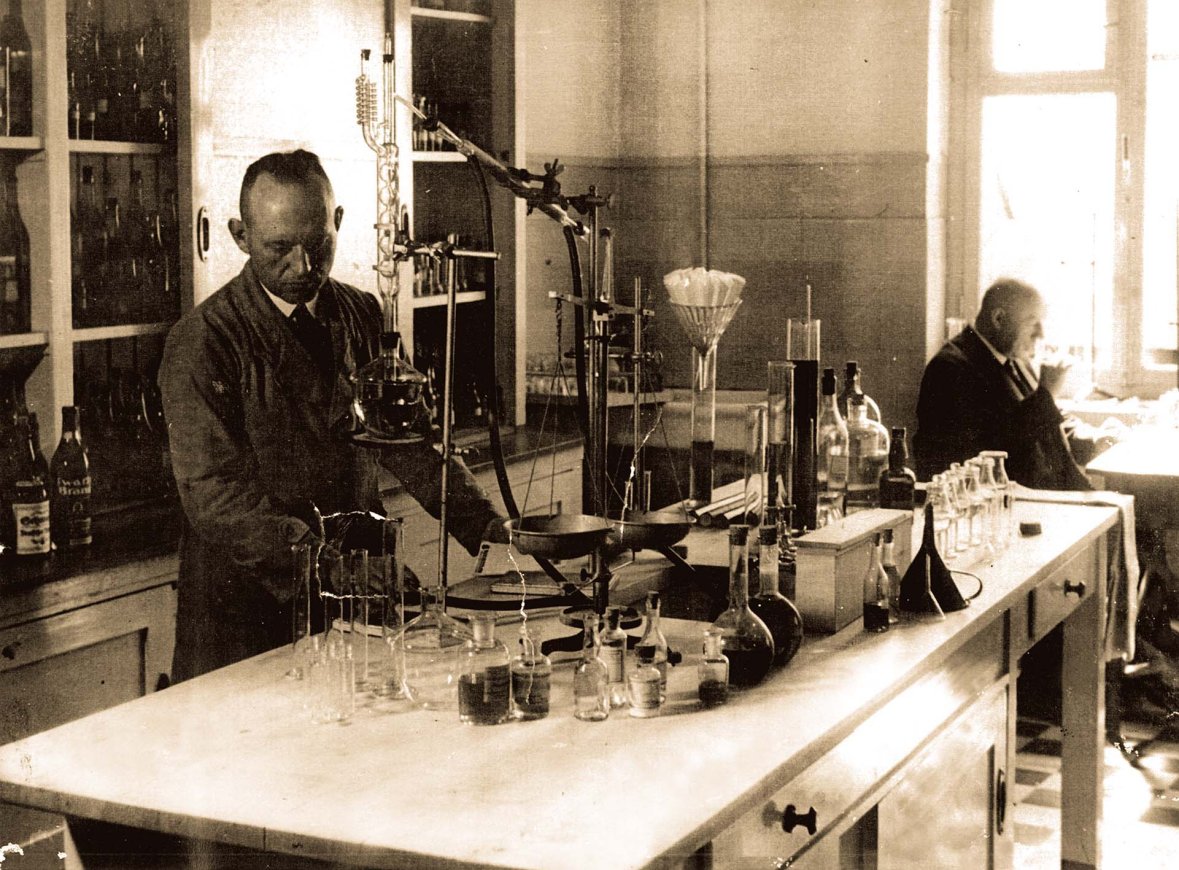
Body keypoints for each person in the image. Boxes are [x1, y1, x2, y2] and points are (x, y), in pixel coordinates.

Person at [159, 150, 503, 681]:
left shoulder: (361, 313)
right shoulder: (203, 341)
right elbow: (216, 495)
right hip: (247, 614)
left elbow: (409, 445)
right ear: (240, 236)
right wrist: (332, 566)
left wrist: (486, 527)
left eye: (318, 244)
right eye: (279, 248)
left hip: (357, 602)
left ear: (337, 221)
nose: (302, 266)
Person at [913, 277, 1092, 490]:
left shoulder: (1013, 357)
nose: (1041, 334)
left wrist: (1091, 437)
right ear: (999, 319)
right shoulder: (950, 368)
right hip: (1006, 498)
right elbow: (991, 450)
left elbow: (1036, 424)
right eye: (1033, 323)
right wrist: (1046, 394)